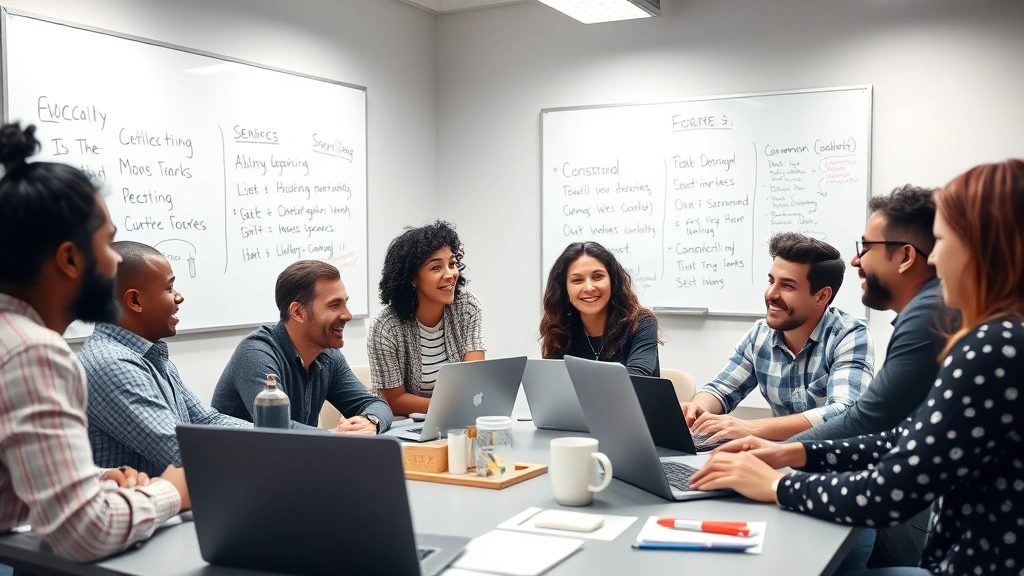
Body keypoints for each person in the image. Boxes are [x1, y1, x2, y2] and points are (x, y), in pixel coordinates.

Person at [690, 159, 1024, 576]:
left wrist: (776, 483)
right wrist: (789, 452)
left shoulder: (993, 345)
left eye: (942, 240)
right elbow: (904, 436)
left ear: (982, 247)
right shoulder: (998, 338)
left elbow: (894, 487)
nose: (934, 258)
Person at [0, 122, 188, 562]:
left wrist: (97, 478)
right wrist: (171, 492)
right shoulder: (33, 352)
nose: (118, 258)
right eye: (107, 241)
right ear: (69, 258)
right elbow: (85, 531)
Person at [792, 186, 956, 571]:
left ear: (904, 256)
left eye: (865, 247)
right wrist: (782, 454)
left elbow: (866, 419)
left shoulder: (930, 313)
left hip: (935, 524)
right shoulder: (929, 310)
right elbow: (897, 433)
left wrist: (775, 467)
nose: (854, 260)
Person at [79, 241, 251, 477]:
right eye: (169, 288)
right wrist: (278, 451)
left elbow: (204, 420)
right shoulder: (111, 364)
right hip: (150, 511)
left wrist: (282, 440)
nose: (179, 297)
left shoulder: (149, 355)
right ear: (135, 301)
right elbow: (181, 450)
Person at [682, 233, 874, 441]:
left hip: (830, 461)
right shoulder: (760, 335)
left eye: (788, 286)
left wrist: (749, 427)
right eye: (771, 281)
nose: (771, 294)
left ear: (822, 296)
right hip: (776, 455)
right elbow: (721, 389)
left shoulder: (849, 336)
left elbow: (844, 412)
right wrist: (697, 408)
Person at [212, 260, 393, 433]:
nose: (348, 315)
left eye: (345, 303)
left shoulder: (329, 355)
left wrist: (370, 422)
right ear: (298, 312)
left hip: (292, 459)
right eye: (334, 305)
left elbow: (375, 405)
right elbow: (277, 429)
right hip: (243, 463)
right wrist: (338, 438)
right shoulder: (255, 353)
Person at [369, 221, 486, 416]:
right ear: (412, 278)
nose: (450, 275)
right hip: (404, 426)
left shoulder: (467, 308)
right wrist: (449, 407)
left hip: (457, 420)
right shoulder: (386, 327)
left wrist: (460, 408)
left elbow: (474, 380)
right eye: (436, 268)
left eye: (452, 264)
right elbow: (394, 401)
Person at [539, 241, 661, 376]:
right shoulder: (560, 328)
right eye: (577, 280)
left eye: (598, 277)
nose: (589, 288)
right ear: (564, 289)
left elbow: (637, 381)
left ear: (613, 281)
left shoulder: (641, 323)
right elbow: (554, 383)